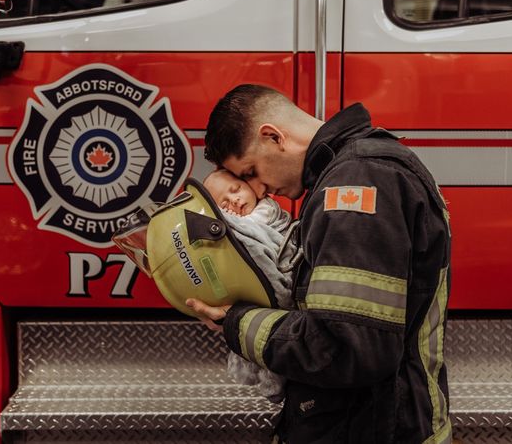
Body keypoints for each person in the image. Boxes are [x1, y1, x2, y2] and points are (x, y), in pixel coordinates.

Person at [186, 84, 452, 443]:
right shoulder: (355, 172)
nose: (259, 190)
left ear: (272, 137)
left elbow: (345, 348)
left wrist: (236, 320)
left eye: (250, 172)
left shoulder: (356, 187)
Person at [203, 169, 294, 403]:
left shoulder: (266, 209)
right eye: (224, 204)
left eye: (237, 190)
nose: (234, 200)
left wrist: (224, 222)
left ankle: (274, 379)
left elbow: (247, 233)